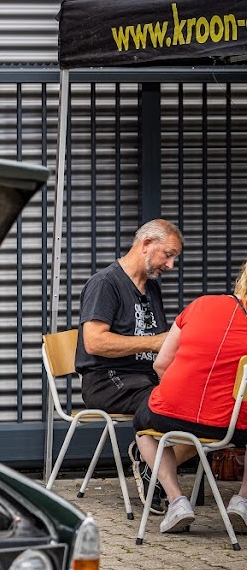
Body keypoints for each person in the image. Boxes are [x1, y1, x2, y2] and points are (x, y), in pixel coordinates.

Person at [75, 218, 182, 513]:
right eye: (168, 255)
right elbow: (94, 342)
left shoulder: (152, 289)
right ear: (146, 244)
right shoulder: (105, 283)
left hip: (145, 377)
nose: (171, 265)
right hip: (105, 380)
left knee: (197, 406)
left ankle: (148, 462)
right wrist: (153, 342)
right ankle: (167, 486)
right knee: (160, 403)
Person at [134, 259, 247, 534]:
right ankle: (243, 501)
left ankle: (177, 501)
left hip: (171, 412)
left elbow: (161, 364)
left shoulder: (201, 304)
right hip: (230, 423)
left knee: (142, 429)